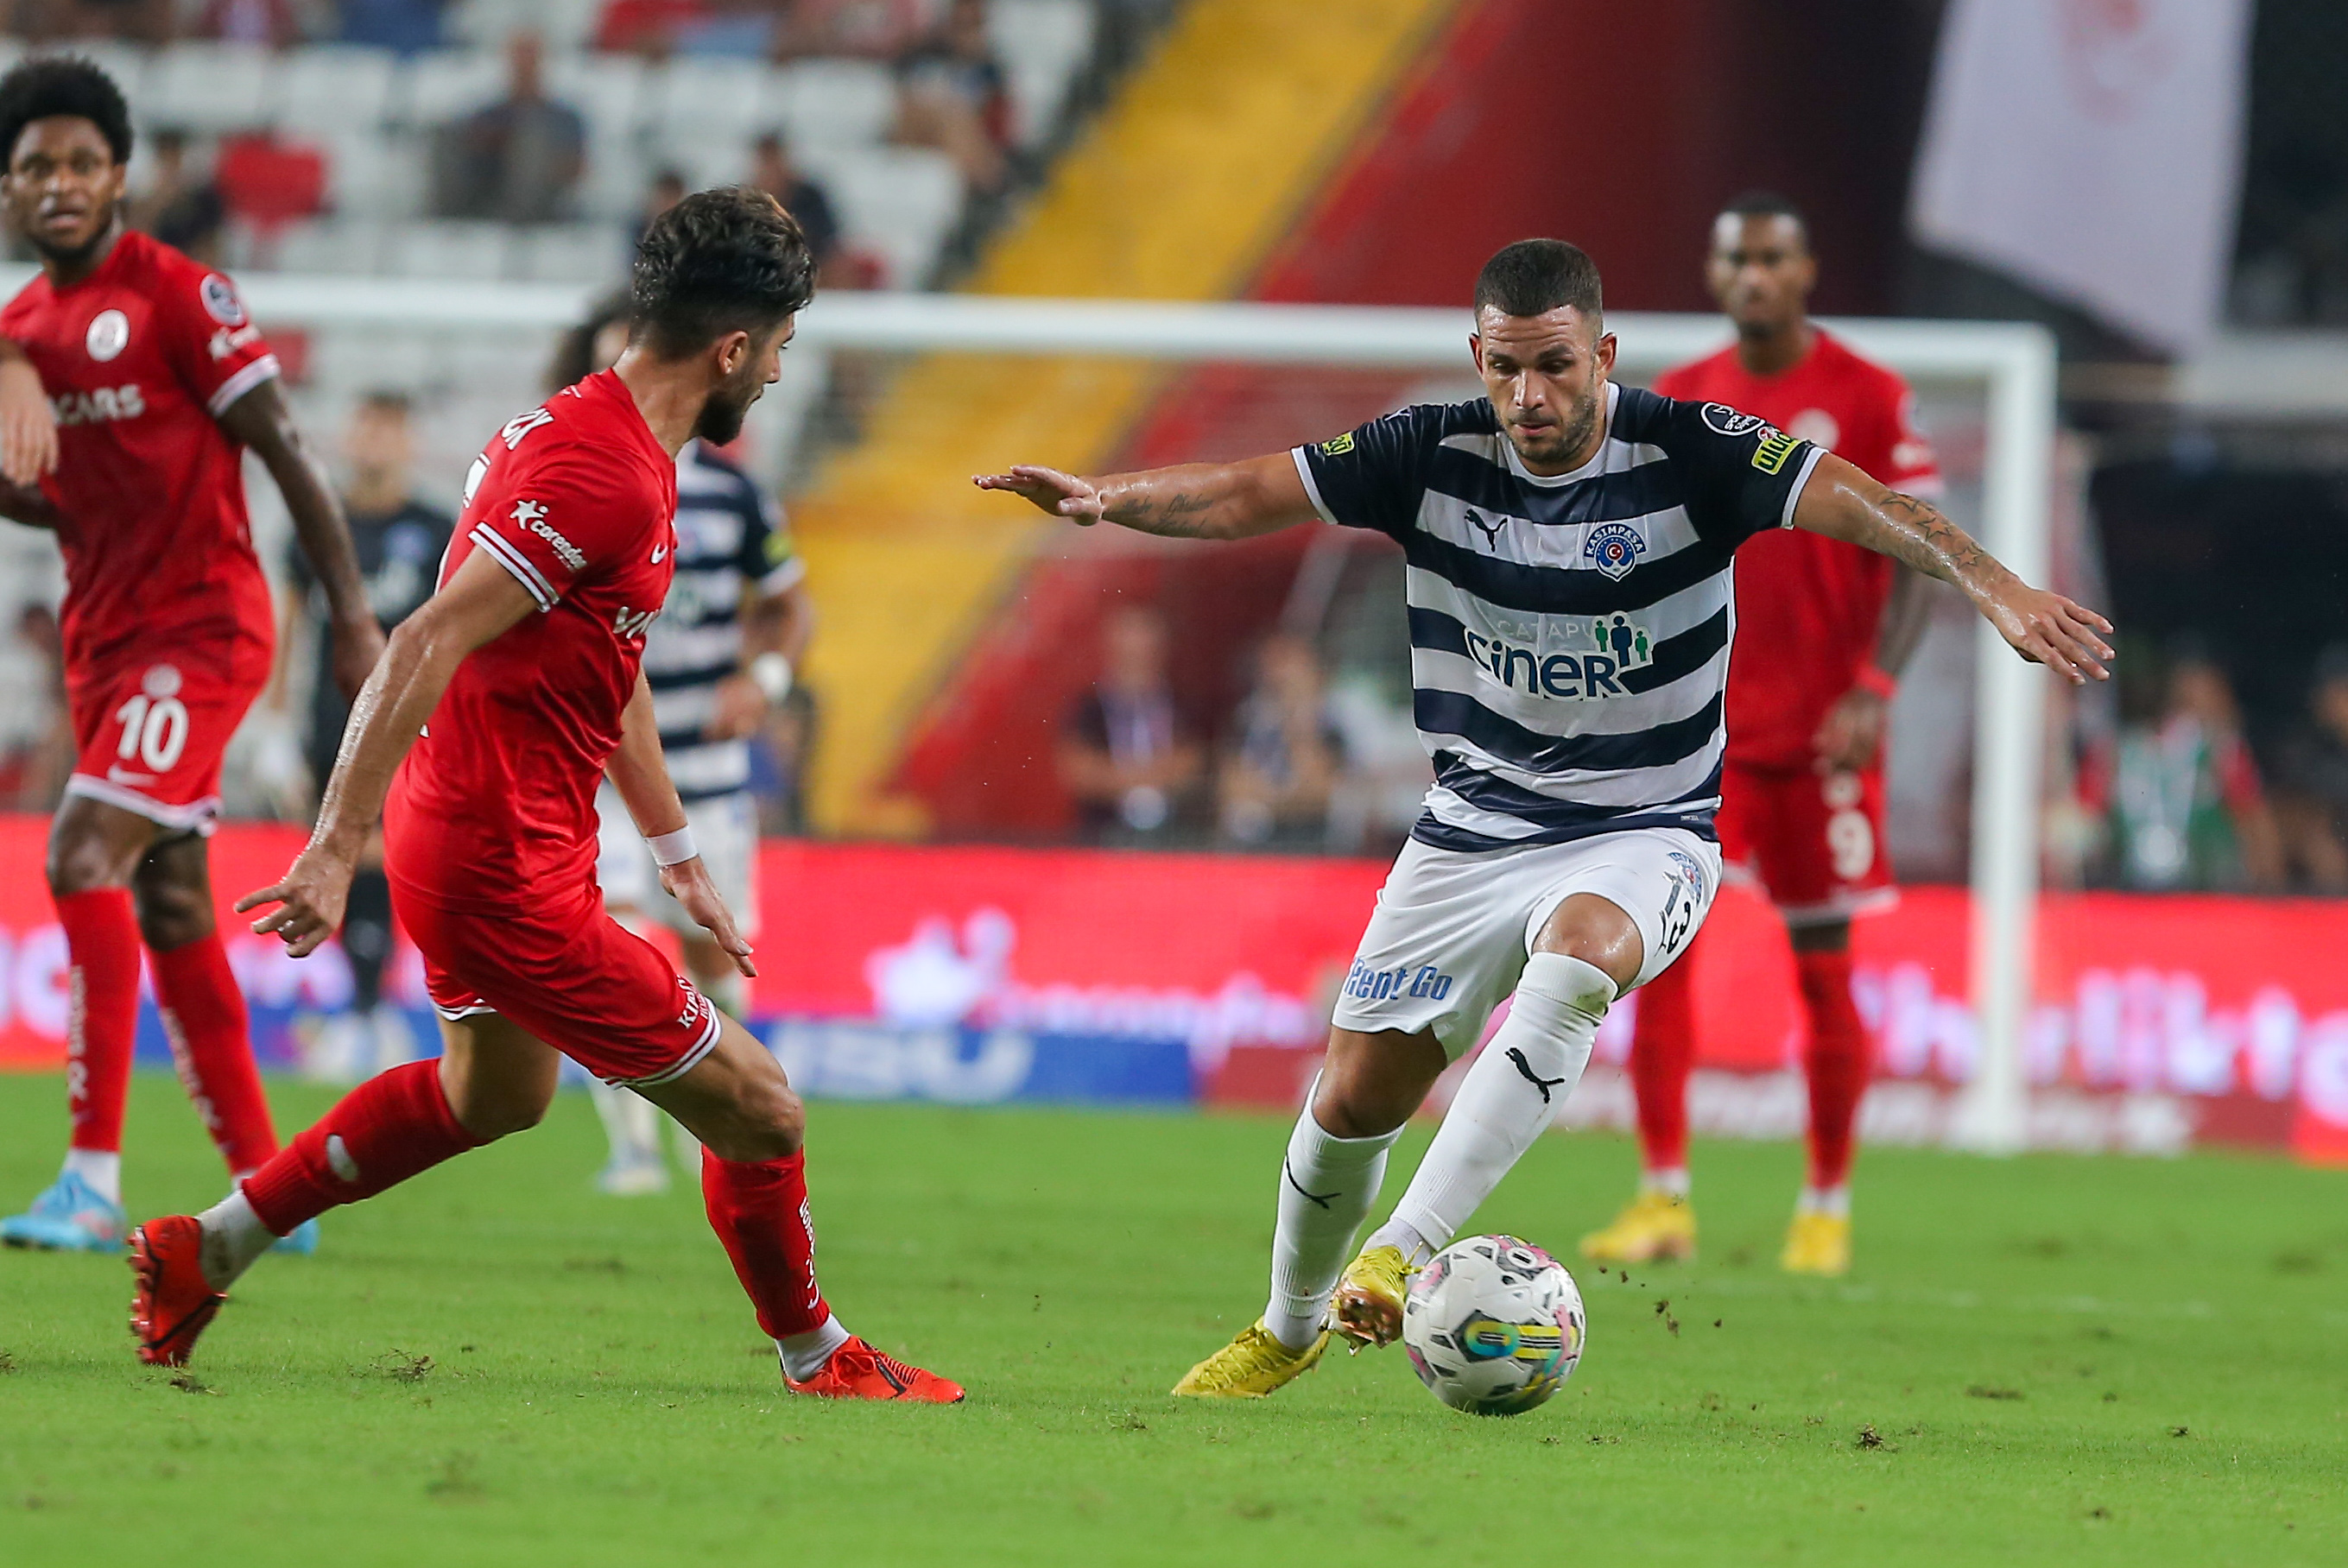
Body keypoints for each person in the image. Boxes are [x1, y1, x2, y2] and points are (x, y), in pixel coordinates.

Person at [978, 237, 2111, 1398]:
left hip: (1646, 827)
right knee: (1351, 1099)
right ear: (1477, 357)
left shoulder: (1693, 449)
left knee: (1577, 958)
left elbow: (1868, 505)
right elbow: (1244, 492)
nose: (1527, 395)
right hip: (1470, 825)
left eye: (1554, 366)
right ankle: (1287, 1325)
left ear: (1601, 354)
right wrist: (1107, 500)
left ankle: (1400, 1251)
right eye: (1504, 367)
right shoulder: (1423, 452)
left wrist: (1996, 586)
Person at [131, 187, 961, 1404]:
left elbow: (603, 662)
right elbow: (423, 638)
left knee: (496, 1094)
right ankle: (817, 1353)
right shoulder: (602, 473)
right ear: (733, 348)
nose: (783, 374)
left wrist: (673, 849)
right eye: (781, 347)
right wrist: (331, 844)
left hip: (491, 831)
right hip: (498, 863)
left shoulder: (597, 435)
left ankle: (208, 1246)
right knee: (761, 1108)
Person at [0, 57, 383, 1253]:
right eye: (35, 167)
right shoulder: (18, 333)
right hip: (104, 638)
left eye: (81, 162)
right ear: (8, 190)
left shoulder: (180, 295)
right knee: (168, 900)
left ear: (118, 176)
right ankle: (273, 1189)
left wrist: (351, 616)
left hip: (205, 629)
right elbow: (51, 500)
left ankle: (89, 1181)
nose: (59, 183)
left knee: (80, 851)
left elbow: (286, 450)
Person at [1579, 193, 1943, 1279]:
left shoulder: (1866, 394)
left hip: (1823, 734)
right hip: (1700, 733)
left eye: (1771, 257)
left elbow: (1920, 545)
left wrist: (1874, 685)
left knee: (1822, 971)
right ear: (1715, 271)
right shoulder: (1683, 394)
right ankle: (1662, 1198)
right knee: (1656, 959)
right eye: (1736, 257)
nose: (1753, 275)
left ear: (1805, 270)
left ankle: (1824, 1208)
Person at [548, 293, 816, 1196]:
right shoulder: (581, 480)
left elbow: (791, 607)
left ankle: (723, 1120)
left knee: (714, 964)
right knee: (616, 939)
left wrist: (764, 681)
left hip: (707, 770)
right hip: (604, 770)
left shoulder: (732, 494)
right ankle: (632, 1148)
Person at [268, 391, 454, 1079]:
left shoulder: (437, 530)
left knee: (384, 856)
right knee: (341, 862)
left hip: (409, 725)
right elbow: (290, 625)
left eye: (389, 428)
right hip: (329, 725)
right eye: (367, 426)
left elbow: (454, 628)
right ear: (350, 436)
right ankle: (368, 1012)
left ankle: (371, 1012)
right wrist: (274, 725)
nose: (376, 441)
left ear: (408, 442)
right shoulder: (318, 525)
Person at [2091, 645, 2281, 892]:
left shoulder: (2223, 752)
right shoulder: (2115, 752)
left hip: (2206, 889)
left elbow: (2255, 821)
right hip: (2128, 889)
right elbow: (2085, 821)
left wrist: (2267, 888)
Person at [1058, 604, 1203, 843]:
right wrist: (1156, 775)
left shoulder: (1185, 704)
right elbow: (1080, 774)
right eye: (1128, 637)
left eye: (1145, 637)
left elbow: (1191, 768)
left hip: (1172, 836)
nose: (1136, 648)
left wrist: (1114, 776)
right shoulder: (1086, 708)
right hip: (1102, 833)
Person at [429, 31, 587, 224]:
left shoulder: (565, 117)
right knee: (444, 133)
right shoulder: (489, 114)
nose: (524, 64)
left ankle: (519, 215)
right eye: (518, 55)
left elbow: (577, 166)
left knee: (530, 140)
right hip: (487, 192)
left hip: (541, 203)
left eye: (530, 55)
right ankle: (449, 213)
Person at [1218, 630, 1347, 850]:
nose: (1278, 675)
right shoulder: (1247, 718)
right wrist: (1287, 799)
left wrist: (1298, 718)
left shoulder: (1332, 724)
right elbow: (1230, 788)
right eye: (1272, 664)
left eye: (1287, 664)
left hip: (1312, 844)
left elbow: (1319, 794)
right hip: (1248, 844)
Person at [2275, 645, 2348, 893]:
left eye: (2341, 691)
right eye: (2328, 692)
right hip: (2326, 881)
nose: (2333, 700)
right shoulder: (2307, 752)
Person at [749, 130, 841, 279]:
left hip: (811, 264)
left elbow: (827, 236)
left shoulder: (810, 196)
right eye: (766, 161)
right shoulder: (747, 199)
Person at [125, 129, 225, 265]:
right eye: (165, 158)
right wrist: (158, 200)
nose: (170, 165)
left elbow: (210, 248)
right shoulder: (142, 199)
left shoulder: (205, 199)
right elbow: (137, 239)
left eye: (175, 157)